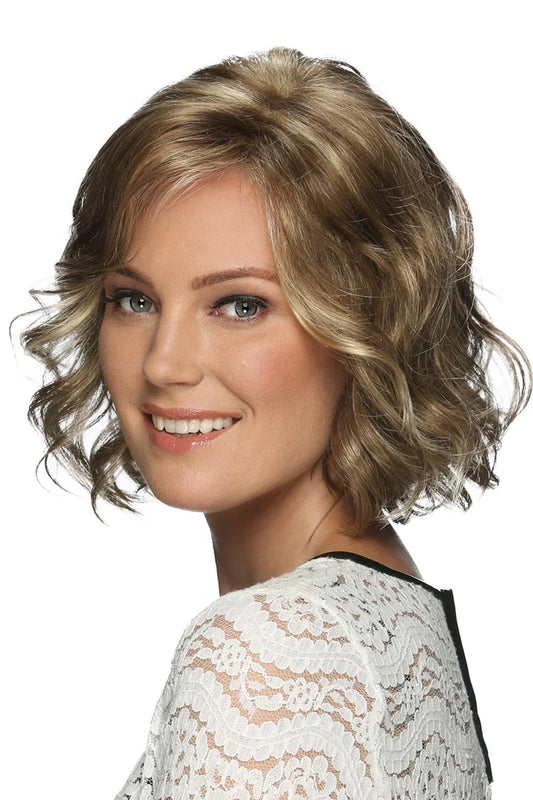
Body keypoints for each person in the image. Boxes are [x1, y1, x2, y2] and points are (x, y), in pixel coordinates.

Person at [18, 47, 530, 798]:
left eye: (240, 305)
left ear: (367, 326)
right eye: (134, 299)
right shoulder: (388, 616)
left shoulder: (270, 656)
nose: (164, 362)